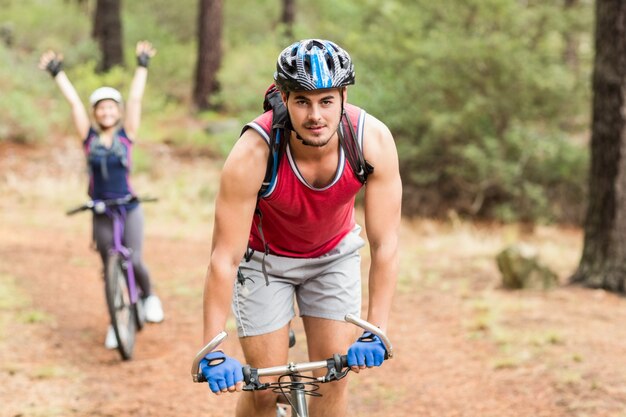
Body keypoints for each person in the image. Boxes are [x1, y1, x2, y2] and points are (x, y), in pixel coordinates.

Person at [199, 39, 402, 417]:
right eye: (302, 101)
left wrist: (376, 328)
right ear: (284, 98)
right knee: (264, 388)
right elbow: (223, 258)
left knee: (333, 380)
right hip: (264, 263)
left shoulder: (370, 140)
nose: (315, 115)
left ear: (343, 96)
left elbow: (385, 244)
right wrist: (213, 350)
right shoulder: (253, 153)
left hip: (333, 257)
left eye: (326, 101)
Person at [39, 41, 165, 349]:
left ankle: (149, 297)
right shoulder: (89, 138)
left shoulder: (126, 135)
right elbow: (73, 105)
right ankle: (116, 321)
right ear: (96, 113)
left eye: (111, 107)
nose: (106, 111)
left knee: (133, 259)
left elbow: (135, 99)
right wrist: (58, 75)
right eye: (101, 107)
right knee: (108, 263)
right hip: (100, 208)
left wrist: (142, 66)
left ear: (117, 112)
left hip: (129, 206)